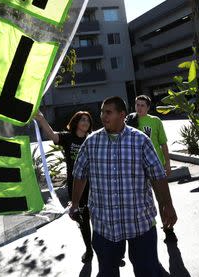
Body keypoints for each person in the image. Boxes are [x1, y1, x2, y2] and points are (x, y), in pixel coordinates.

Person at [70, 96, 177, 277]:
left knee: (147, 270)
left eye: (108, 112)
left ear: (122, 114)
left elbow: (157, 176)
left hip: (140, 222)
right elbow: (79, 175)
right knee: (107, 271)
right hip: (105, 225)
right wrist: (74, 204)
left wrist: (167, 204)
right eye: (102, 111)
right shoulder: (91, 143)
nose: (103, 116)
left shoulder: (140, 141)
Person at [34, 109, 94, 262]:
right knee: (83, 218)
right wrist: (41, 119)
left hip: (94, 185)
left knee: (99, 217)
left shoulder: (93, 139)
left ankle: (108, 249)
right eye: (82, 120)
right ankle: (89, 249)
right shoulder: (68, 138)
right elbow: (53, 136)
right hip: (75, 185)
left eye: (87, 120)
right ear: (76, 122)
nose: (85, 123)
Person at [127, 95, 176, 243]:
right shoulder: (130, 121)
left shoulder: (155, 121)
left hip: (156, 166)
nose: (139, 108)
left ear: (148, 107)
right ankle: (143, 232)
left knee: (162, 199)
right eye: (137, 105)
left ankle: (168, 228)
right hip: (138, 168)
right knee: (140, 202)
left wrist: (167, 163)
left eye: (142, 105)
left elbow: (163, 144)